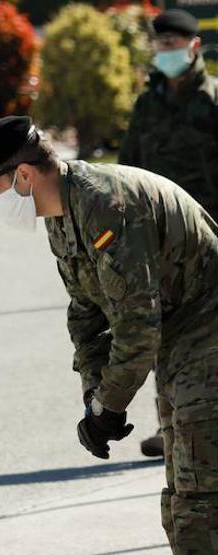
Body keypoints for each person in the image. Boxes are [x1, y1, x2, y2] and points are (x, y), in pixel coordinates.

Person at [0, 115, 218, 555]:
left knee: (203, 485)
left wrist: (110, 404)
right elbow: (86, 313)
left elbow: (134, 322)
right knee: (181, 488)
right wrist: (92, 395)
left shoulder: (104, 205)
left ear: (24, 175)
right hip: (180, 335)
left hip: (206, 326)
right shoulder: (61, 214)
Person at [120, 9, 218, 458]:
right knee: (165, 332)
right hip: (158, 238)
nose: (167, 53)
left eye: (174, 45)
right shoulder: (147, 105)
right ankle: (171, 426)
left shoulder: (212, 100)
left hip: (210, 235)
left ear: (194, 47)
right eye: (160, 46)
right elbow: (127, 169)